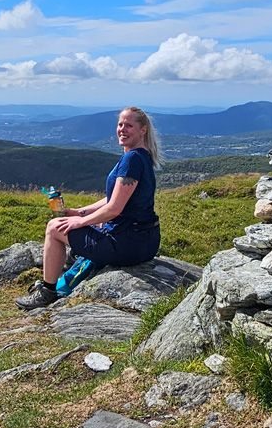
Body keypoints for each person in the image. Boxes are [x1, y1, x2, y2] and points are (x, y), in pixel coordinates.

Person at [16, 106, 163, 310]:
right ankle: (70, 268)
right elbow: (113, 198)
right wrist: (80, 212)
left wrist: (80, 221)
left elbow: (114, 209)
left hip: (126, 245)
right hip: (146, 242)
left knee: (53, 228)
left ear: (143, 130)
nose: (122, 129)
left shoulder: (132, 159)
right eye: (120, 124)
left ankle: (47, 292)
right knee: (88, 225)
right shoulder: (143, 156)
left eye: (129, 125)